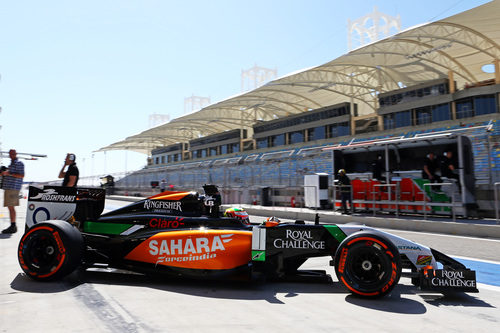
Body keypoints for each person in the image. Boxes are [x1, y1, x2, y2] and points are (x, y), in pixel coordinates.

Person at [2, 149, 25, 234]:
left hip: (13, 188)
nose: (11, 155)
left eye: (13, 153)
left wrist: (9, 174)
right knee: (10, 207)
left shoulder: (19, 163)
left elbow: (22, 175)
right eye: (10, 154)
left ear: (16, 154)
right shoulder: (12, 164)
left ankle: (13, 226)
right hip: (9, 188)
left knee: (11, 207)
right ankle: (13, 225)